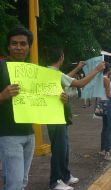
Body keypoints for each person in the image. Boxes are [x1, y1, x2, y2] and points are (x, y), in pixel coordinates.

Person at [0, 26, 66, 190]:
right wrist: (2, 96)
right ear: (8, 46)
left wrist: (60, 99)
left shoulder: (34, 71)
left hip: (29, 133)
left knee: (21, 182)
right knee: (14, 184)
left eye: (23, 44)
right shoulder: (1, 67)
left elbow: (46, 97)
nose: (19, 47)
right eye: (14, 44)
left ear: (29, 47)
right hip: (8, 135)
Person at [45, 48, 105, 190]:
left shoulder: (49, 72)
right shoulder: (54, 73)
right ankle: (55, 181)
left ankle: (65, 176)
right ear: (62, 57)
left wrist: (78, 67)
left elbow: (65, 78)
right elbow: (80, 83)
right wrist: (96, 70)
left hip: (55, 115)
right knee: (59, 149)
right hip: (56, 116)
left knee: (63, 148)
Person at [98, 62, 111, 156]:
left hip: (101, 103)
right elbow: (108, 94)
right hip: (107, 103)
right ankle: (106, 149)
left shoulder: (100, 78)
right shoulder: (106, 79)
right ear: (109, 70)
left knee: (105, 127)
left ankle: (104, 148)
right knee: (108, 127)